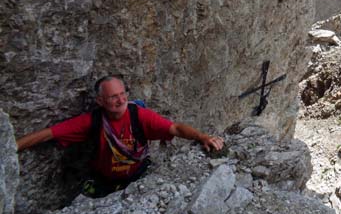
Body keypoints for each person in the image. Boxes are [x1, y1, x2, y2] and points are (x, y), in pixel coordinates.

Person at [16, 75, 224, 197]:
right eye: (113, 96)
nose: (121, 99)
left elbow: (176, 129)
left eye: (123, 93)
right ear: (100, 101)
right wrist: (12, 147)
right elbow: (48, 134)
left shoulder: (139, 116)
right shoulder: (92, 121)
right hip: (104, 181)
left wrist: (202, 136)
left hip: (139, 177)